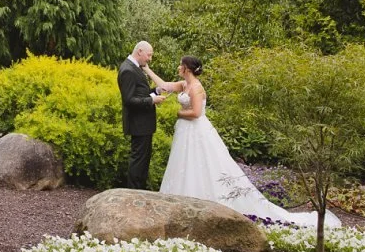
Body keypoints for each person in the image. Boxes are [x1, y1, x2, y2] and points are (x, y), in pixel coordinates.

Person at [145, 55, 340, 228]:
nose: (178, 67)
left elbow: (196, 113)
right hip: (185, 132)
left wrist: (175, 112)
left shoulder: (195, 87)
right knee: (184, 165)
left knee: (202, 164)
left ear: (186, 68)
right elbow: (165, 84)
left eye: (181, 65)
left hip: (195, 131)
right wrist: (146, 69)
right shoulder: (184, 84)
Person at [118, 40, 167, 188]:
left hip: (144, 124)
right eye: (149, 55)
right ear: (140, 51)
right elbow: (129, 100)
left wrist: (155, 91)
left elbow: (140, 93)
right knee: (138, 160)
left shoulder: (135, 67)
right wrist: (152, 100)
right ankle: (134, 191)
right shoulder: (127, 69)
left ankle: (139, 190)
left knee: (143, 161)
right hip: (138, 124)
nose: (149, 59)